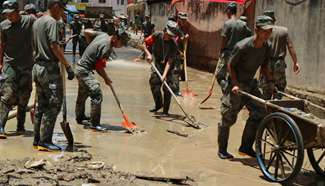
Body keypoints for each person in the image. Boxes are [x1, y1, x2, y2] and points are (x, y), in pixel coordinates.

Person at [217, 15, 274, 159]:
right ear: (257, 29)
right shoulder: (243, 46)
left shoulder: (267, 46)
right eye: (265, 31)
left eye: (270, 31)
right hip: (236, 84)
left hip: (250, 84)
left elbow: (265, 66)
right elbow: (230, 65)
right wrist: (235, 84)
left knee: (260, 112)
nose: (268, 34)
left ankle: (246, 146)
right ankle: (222, 150)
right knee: (228, 117)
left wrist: (271, 81)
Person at [32, 0, 75, 151]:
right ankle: (45, 140)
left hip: (37, 67)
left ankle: (37, 139)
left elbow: (35, 45)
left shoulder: (37, 22)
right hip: (49, 68)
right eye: (62, 8)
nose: (62, 12)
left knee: (41, 105)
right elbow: (54, 46)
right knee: (54, 104)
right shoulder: (52, 22)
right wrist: (68, 66)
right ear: (55, 6)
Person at [75, 28, 130, 131]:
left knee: (83, 93)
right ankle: (94, 124)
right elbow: (99, 67)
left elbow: (86, 31)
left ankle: (80, 117)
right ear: (115, 38)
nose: (121, 46)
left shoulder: (103, 34)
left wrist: (90, 45)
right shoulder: (106, 48)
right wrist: (106, 78)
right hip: (84, 70)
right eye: (121, 43)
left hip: (80, 68)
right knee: (96, 92)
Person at [0, 0, 36, 138]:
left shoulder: (30, 21)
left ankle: (20, 126)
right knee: (7, 95)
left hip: (27, 65)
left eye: (10, 14)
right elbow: (2, 45)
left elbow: (42, 26)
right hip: (10, 65)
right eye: (6, 14)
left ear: (17, 11)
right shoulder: (3, 26)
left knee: (24, 97)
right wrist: (1, 63)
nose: (8, 17)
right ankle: (1, 126)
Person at [259, 10, 300, 99]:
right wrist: (295, 62)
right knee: (279, 88)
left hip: (266, 63)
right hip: (279, 64)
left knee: (266, 89)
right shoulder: (284, 31)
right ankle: (276, 106)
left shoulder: (263, 31)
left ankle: (266, 110)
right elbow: (290, 47)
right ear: (274, 19)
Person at [143, 21, 178, 116]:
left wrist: (164, 75)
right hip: (157, 63)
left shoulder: (174, 45)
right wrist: (148, 54)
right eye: (169, 35)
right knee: (154, 83)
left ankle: (165, 111)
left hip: (169, 67)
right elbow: (144, 44)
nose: (170, 37)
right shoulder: (156, 35)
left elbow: (170, 61)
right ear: (165, 30)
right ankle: (158, 104)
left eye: (172, 36)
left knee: (167, 88)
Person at [215, 2, 252, 94]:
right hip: (238, 54)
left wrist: (220, 51)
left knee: (219, 76)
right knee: (233, 75)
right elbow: (250, 37)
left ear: (229, 11)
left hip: (227, 53)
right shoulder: (243, 25)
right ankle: (231, 91)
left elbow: (224, 40)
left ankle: (227, 91)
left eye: (227, 11)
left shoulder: (227, 24)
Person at [173, 12, 190, 96]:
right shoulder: (175, 28)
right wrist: (179, 52)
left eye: (185, 20)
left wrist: (184, 38)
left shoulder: (181, 28)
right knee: (176, 70)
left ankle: (172, 88)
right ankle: (175, 90)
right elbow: (174, 42)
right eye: (182, 20)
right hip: (173, 52)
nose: (184, 21)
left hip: (178, 52)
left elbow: (181, 39)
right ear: (179, 19)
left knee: (175, 71)